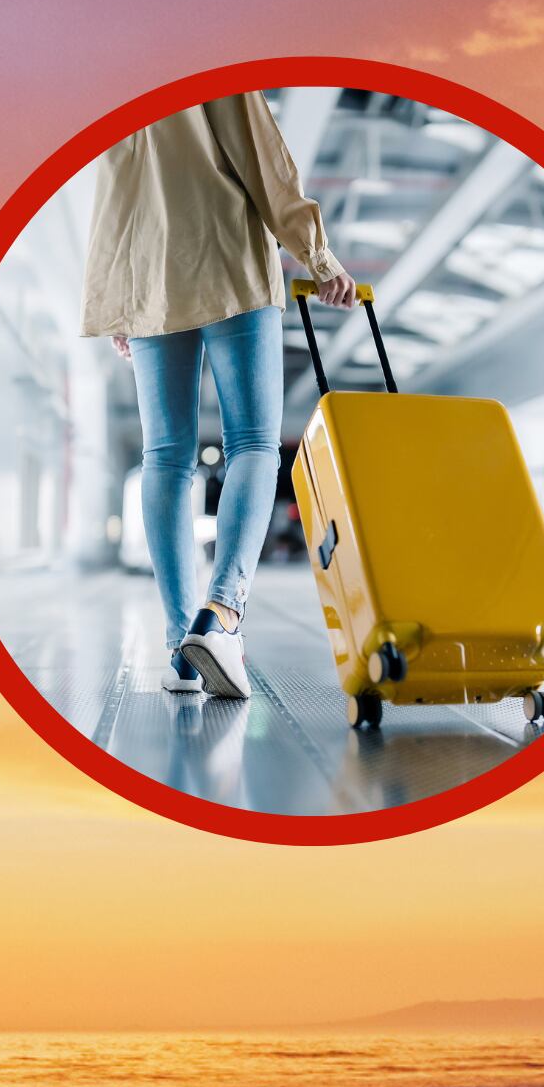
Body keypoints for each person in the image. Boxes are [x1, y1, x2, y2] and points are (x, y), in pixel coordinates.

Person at [81, 93, 358, 700]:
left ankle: (182, 648)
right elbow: (263, 157)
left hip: (149, 273)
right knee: (255, 444)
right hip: (228, 255)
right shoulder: (213, 56)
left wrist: (115, 301)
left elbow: (111, 190)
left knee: (166, 457)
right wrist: (317, 252)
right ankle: (223, 613)